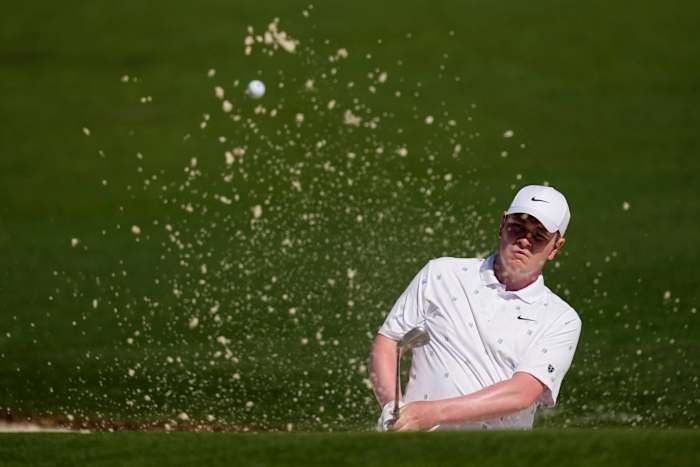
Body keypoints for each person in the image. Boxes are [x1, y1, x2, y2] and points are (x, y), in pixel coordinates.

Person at [368, 185, 582, 431]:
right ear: (502, 225)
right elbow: (388, 342)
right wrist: (392, 406)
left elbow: (522, 393)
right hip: (418, 442)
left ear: (556, 247)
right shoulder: (441, 274)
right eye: (517, 227)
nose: (525, 241)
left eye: (539, 236)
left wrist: (434, 413)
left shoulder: (561, 318)